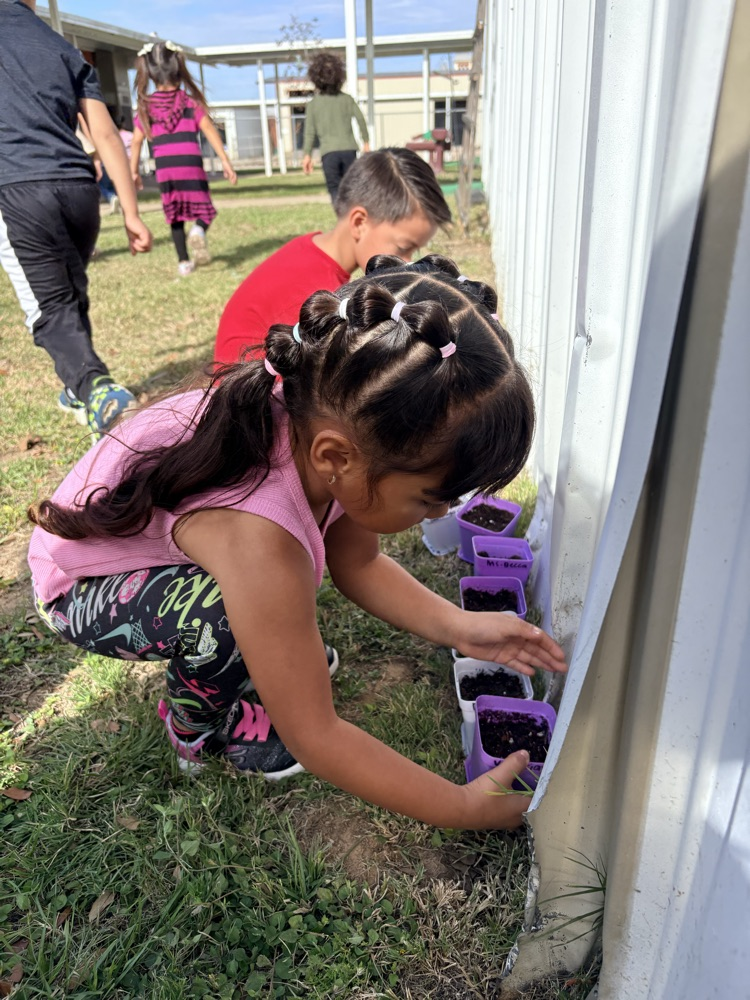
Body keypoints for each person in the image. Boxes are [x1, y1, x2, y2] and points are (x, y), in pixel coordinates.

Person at [27, 254, 567, 832]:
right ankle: (197, 729)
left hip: (172, 553)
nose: (439, 513)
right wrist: (460, 807)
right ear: (335, 457)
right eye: (430, 498)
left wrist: (459, 627)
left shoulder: (341, 432)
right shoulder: (262, 538)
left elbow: (359, 564)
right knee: (219, 617)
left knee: (266, 614)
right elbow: (315, 734)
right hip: (78, 585)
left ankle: (264, 657)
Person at [0, 0, 153, 441]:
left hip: (17, 190)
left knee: (48, 309)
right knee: (69, 295)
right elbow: (104, 134)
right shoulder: (60, 46)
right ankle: (77, 389)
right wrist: (131, 213)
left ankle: (98, 391)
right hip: (79, 191)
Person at [214, 147, 451, 365]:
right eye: (403, 247)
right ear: (359, 223)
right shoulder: (317, 298)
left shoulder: (311, 250)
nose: (407, 263)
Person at [130, 40, 237, 277]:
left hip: (165, 169)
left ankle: (183, 263)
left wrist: (134, 171)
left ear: (150, 73)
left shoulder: (147, 107)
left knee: (174, 215)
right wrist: (225, 161)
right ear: (179, 69)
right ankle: (198, 230)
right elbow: (209, 129)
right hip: (191, 165)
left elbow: (136, 141)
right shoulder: (190, 103)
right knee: (206, 209)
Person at [302, 51, 370, 203]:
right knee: (351, 188)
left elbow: (309, 132)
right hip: (349, 150)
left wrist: (307, 155)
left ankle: (341, 215)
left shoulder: (313, 104)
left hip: (328, 153)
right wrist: (366, 142)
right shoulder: (347, 99)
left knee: (334, 189)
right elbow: (360, 119)